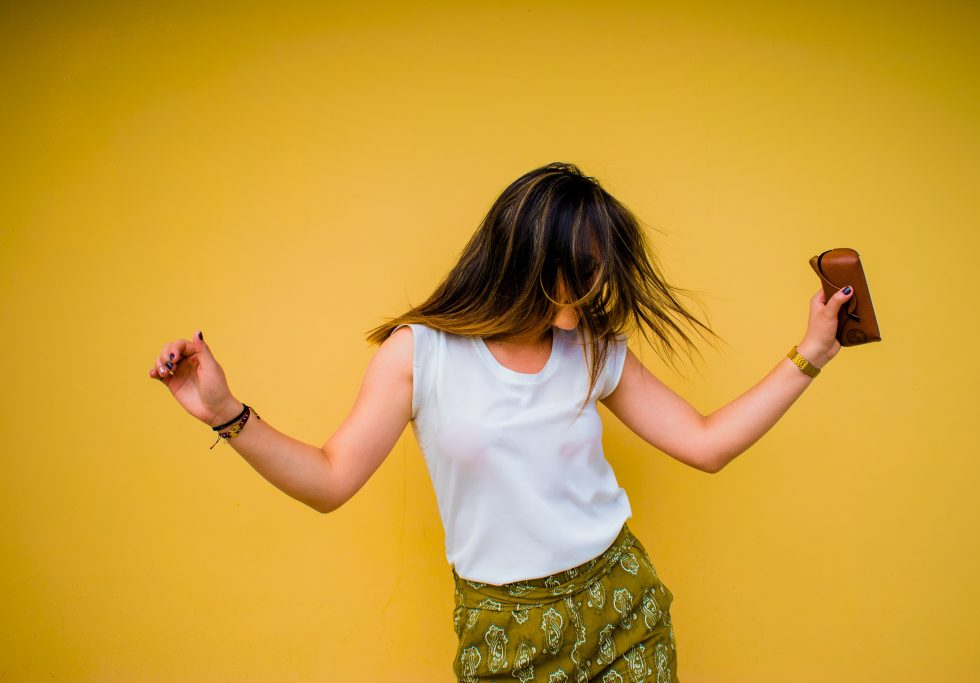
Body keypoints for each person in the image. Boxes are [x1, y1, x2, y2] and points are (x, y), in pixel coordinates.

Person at [148, 161, 855, 682]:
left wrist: (813, 352)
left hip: (622, 609)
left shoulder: (593, 347)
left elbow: (706, 443)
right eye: (586, 268)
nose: (599, 286)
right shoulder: (419, 353)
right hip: (503, 630)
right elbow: (330, 481)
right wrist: (226, 414)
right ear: (528, 261)